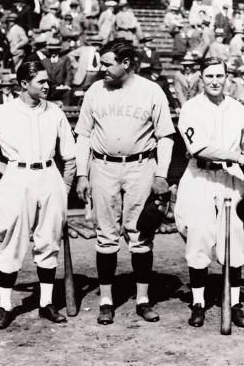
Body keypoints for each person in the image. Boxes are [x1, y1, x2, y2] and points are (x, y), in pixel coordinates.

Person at [0, 61, 76, 330]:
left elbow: (69, 155)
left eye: (48, 81)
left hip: (49, 175)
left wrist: (64, 189)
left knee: (48, 242)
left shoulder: (55, 112)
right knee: (10, 241)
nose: (47, 86)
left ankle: (46, 304)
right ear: (24, 84)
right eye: (41, 82)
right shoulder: (1, 112)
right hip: (16, 176)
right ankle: (6, 306)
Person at [74, 39, 175, 325]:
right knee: (106, 235)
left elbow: (166, 136)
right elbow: (82, 135)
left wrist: (161, 175)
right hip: (103, 166)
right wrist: (82, 173)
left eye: (107, 63)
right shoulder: (96, 90)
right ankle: (106, 300)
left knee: (141, 235)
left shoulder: (151, 90)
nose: (101, 68)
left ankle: (143, 299)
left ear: (126, 63)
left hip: (141, 166)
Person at [174, 57, 244, 328]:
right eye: (209, 76)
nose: (214, 81)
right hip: (200, 174)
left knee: (233, 239)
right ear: (201, 78)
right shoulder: (191, 108)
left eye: (219, 76)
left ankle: (235, 303)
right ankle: (199, 302)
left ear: (227, 78)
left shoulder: (237, 109)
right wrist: (239, 156)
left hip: (231, 177)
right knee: (199, 236)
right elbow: (199, 148)